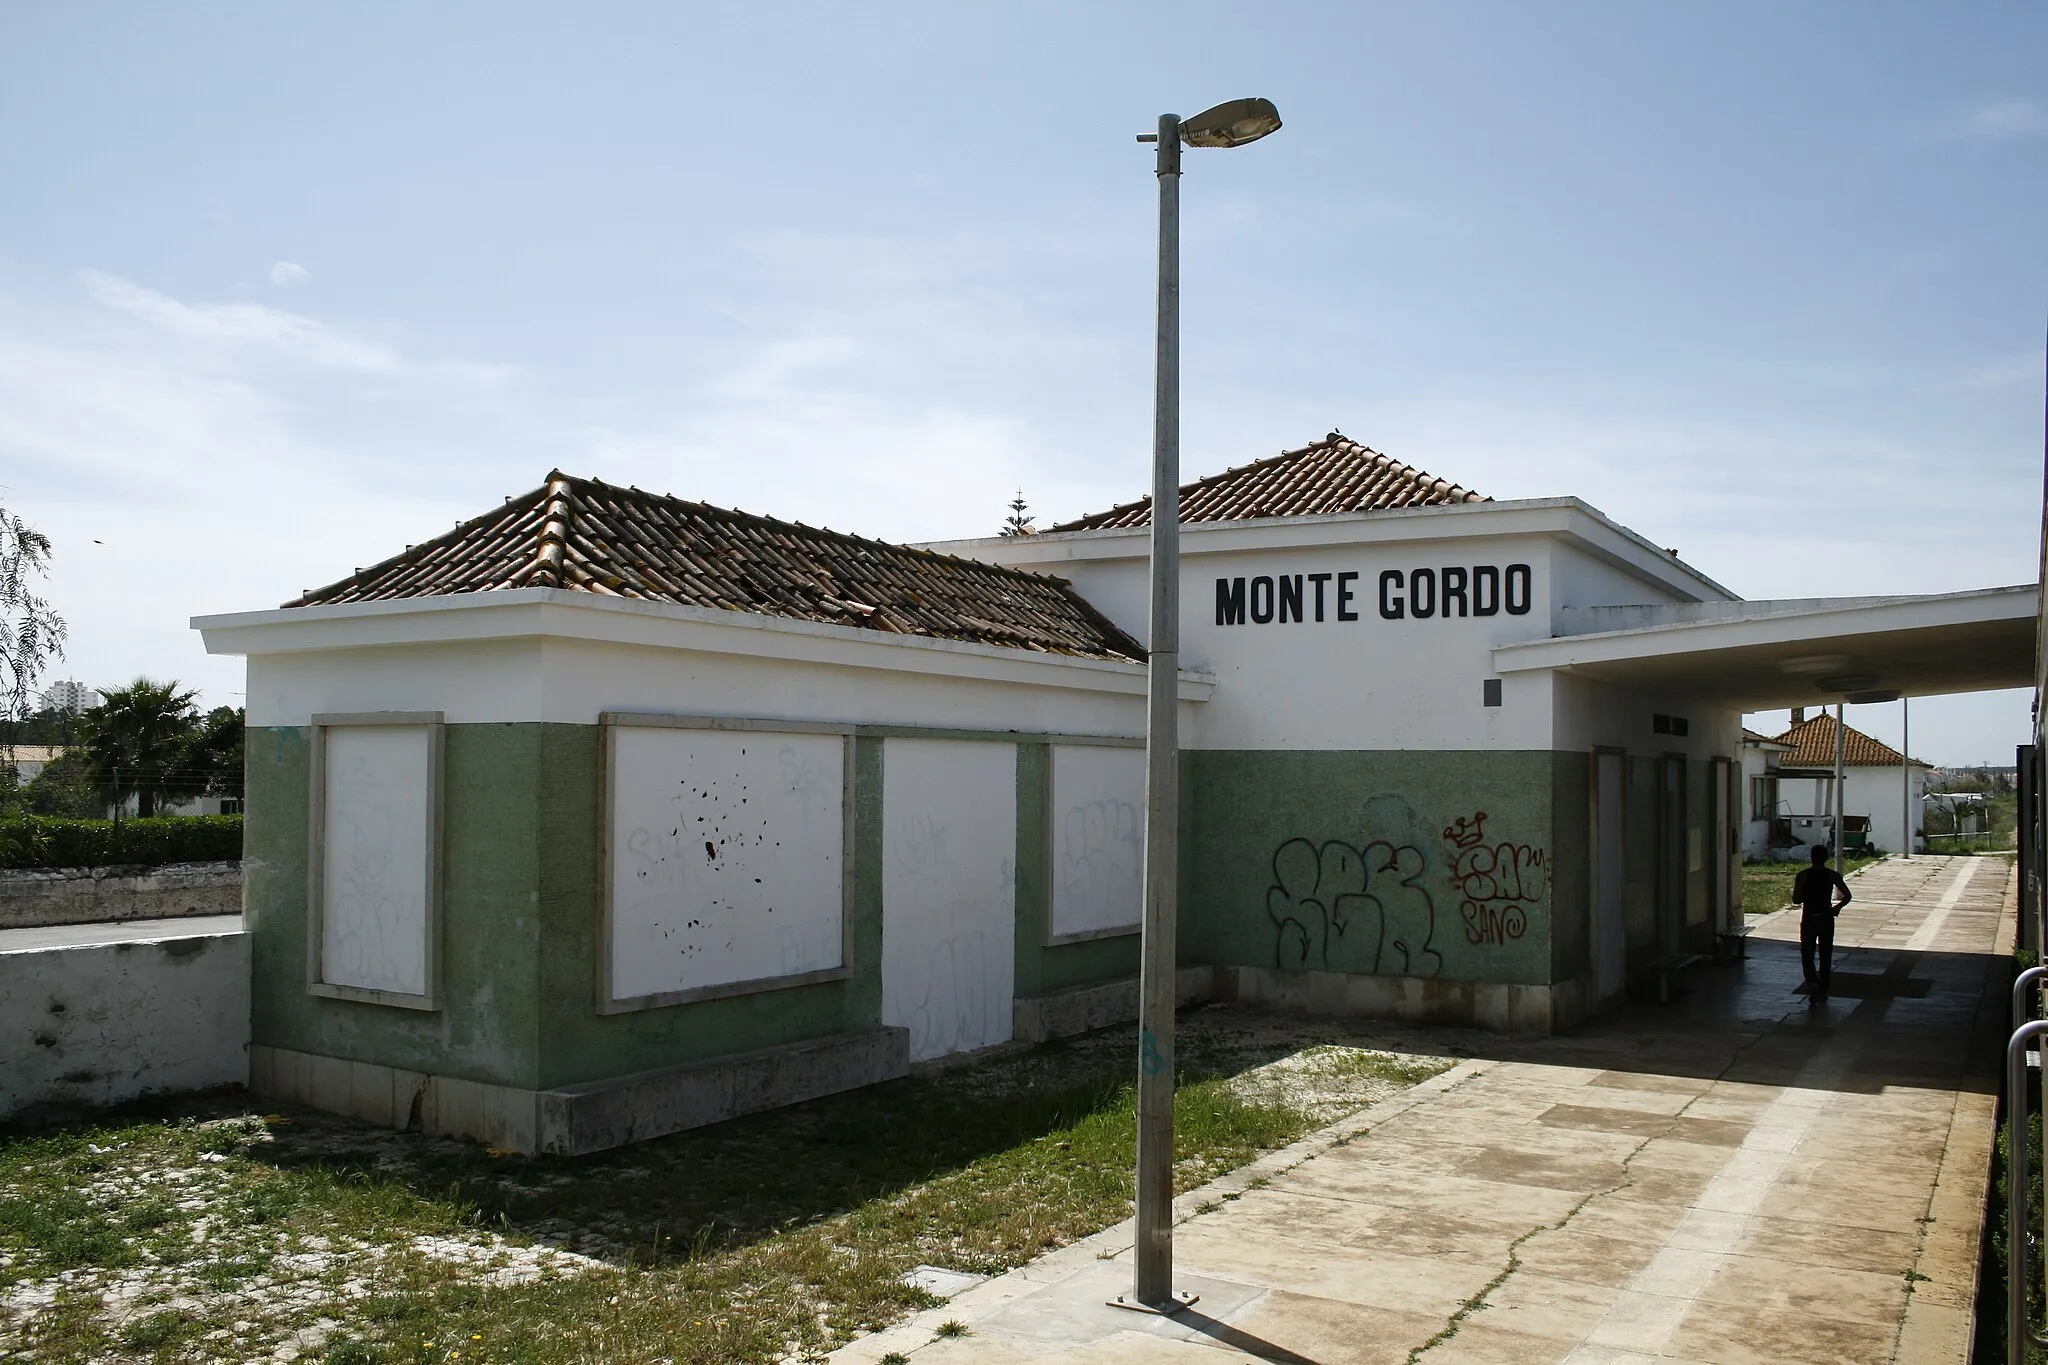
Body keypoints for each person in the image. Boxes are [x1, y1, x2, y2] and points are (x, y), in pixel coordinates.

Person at [1792, 844, 1852, 999]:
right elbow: (1848, 896)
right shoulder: (1832, 875)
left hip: (1809, 918)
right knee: (1825, 954)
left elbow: (1796, 899)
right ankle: (1824, 986)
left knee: (1807, 953)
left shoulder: (1803, 875)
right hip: (1826, 918)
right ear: (1826, 858)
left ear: (1811, 858)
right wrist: (1837, 908)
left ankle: (1812, 983)